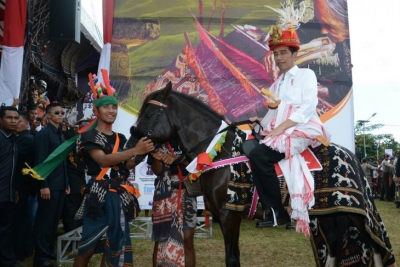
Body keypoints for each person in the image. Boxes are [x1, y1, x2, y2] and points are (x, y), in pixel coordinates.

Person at [248, 24, 329, 230]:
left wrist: (281, 127)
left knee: (259, 155)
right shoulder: (276, 84)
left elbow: (309, 107)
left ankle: (277, 212)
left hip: (303, 128)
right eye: (276, 54)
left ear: (294, 55)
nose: (279, 58)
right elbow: (273, 112)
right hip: (281, 131)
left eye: (283, 53)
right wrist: (259, 124)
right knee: (248, 145)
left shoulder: (306, 75)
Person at [73, 94, 154, 267]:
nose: (111, 111)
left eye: (114, 107)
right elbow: (103, 160)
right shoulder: (88, 137)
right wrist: (135, 150)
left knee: (114, 243)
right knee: (87, 247)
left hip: (119, 196)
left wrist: (143, 152)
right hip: (99, 196)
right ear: (96, 110)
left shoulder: (121, 138)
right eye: (106, 107)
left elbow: (127, 165)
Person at [32, 102, 70, 267]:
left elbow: (62, 161)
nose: (61, 115)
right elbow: (40, 161)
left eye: (62, 112)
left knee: (54, 221)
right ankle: (40, 257)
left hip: (60, 184)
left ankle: (48, 250)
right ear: (48, 115)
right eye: (57, 112)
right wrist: (43, 185)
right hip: (49, 185)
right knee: (44, 222)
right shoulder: (44, 134)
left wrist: (66, 182)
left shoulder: (60, 134)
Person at [150, 140, 196, 267]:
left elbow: (198, 164)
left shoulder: (188, 138)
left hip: (187, 192)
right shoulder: (157, 141)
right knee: (161, 238)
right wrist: (157, 158)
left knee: (188, 239)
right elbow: (157, 171)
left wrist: (178, 159)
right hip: (164, 194)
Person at [0, 106, 26, 267]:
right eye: (9, 118)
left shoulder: (12, 138)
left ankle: (7, 261)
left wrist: (13, 189)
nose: (14, 121)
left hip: (7, 194)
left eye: (16, 118)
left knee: (5, 231)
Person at [13, 113, 36, 261]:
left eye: (18, 120)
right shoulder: (20, 138)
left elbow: (14, 157)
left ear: (26, 123)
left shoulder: (26, 139)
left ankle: (21, 250)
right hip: (20, 184)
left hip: (21, 185)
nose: (15, 123)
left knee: (20, 219)